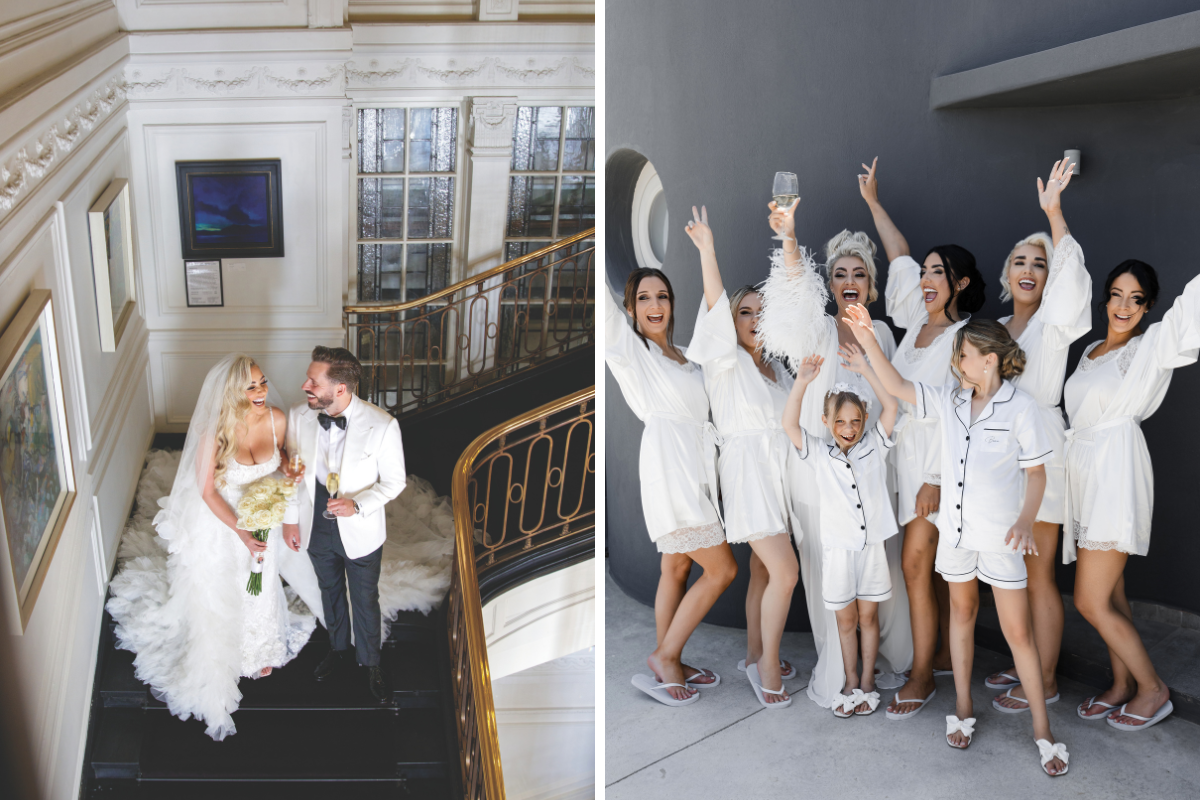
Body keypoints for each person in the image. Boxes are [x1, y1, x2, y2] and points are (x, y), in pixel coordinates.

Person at [845, 311, 1068, 776]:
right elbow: (901, 387)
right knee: (961, 614)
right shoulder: (950, 400)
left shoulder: (1021, 409)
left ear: (988, 360)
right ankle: (964, 708)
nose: (956, 362)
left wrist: (1026, 521)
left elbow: (1037, 473)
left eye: (962, 355)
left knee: (1019, 633)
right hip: (957, 534)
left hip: (1001, 537)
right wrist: (867, 339)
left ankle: (1043, 730)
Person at [106, 355, 324, 740]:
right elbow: (207, 492)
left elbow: (284, 460)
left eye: (262, 383)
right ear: (232, 393)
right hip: (225, 524)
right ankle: (230, 649)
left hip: (264, 519)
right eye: (250, 387)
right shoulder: (215, 435)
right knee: (232, 585)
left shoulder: (276, 419)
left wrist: (288, 476)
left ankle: (259, 647)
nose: (260, 392)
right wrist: (241, 531)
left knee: (261, 578)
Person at [757, 198, 912, 708]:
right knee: (829, 577)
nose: (850, 280)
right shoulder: (815, 330)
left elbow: (895, 402)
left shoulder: (883, 334)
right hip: (818, 479)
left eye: (859, 274)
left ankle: (881, 662)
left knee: (879, 574)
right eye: (841, 273)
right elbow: (794, 291)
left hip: (872, 479)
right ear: (832, 283)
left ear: (870, 284)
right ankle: (841, 668)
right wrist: (790, 238)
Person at [857, 158, 985, 719]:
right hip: (902, 461)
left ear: (958, 284)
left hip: (938, 469)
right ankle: (934, 661)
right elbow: (898, 255)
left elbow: (963, 411)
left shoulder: (965, 336)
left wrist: (935, 477)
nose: (926, 279)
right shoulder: (912, 326)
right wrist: (873, 203)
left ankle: (920, 675)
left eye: (939, 272)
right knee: (925, 568)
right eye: (925, 272)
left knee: (916, 564)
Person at [1063, 259, 1200, 731]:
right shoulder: (1090, 351)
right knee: (1113, 592)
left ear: (1148, 307)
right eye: (1117, 295)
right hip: (1082, 473)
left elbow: (1189, 314)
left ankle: (1152, 688)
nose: (1123, 306)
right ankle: (1121, 685)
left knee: (1090, 600)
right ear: (1105, 300)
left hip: (1114, 472)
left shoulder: (1149, 348)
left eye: (1135, 298)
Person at [983, 160, 1092, 713]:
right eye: (1020, 262)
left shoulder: (1055, 322)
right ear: (1008, 274)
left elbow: (1073, 281)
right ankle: (1026, 662)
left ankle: (1045, 679)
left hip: (1041, 443)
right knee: (1012, 568)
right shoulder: (998, 330)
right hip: (1002, 453)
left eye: (1039, 263)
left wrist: (1053, 213)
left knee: (1039, 568)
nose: (1029, 269)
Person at [605, 260, 737, 706]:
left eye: (661, 296)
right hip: (670, 467)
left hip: (697, 464)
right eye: (643, 298)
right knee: (722, 569)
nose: (654, 304)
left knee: (677, 567)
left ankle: (672, 660)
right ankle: (665, 655)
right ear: (630, 308)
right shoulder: (631, 352)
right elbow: (605, 317)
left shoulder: (683, 352)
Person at [682, 206, 799, 707]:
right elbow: (713, 304)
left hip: (781, 472)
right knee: (786, 572)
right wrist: (709, 252)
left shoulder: (778, 368)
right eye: (744, 312)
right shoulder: (725, 362)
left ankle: (755, 652)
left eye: (760, 312)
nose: (753, 320)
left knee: (763, 571)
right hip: (749, 472)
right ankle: (769, 664)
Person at [281, 346, 407, 703]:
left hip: (360, 527)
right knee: (329, 591)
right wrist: (291, 521)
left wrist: (358, 504)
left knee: (365, 598)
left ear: (340, 389)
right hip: (314, 524)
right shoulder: (298, 415)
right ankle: (337, 649)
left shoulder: (382, 425)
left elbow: (395, 482)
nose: (305, 384)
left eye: (313, 381)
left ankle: (371, 663)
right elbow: (292, 476)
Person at [782, 345, 899, 718]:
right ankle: (849, 681)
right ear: (827, 422)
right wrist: (801, 382)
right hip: (838, 553)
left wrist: (866, 370)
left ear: (865, 418)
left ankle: (867, 681)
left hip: (871, 551)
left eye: (855, 421)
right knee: (846, 621)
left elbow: (892, 407)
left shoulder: (874, 447)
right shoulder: (818, 453)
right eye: (840, 422)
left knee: (869, 618)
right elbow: (788, 424)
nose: (848, 430)